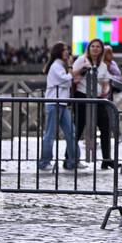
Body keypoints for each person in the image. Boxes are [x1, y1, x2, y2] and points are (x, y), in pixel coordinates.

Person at [71, 37, 116, 169]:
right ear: (89, 48)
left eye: (98, 47)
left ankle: (106, 159)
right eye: (93, 46)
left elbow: (106, 82)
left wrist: (105, 90)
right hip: (82, 97)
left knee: (105, 127)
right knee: (78, 128)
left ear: (102, 50)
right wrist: (82, 70)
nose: (95, 49)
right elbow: (72, 76)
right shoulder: (81, 60)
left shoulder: (102, 65)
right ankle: (70, 158)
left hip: (97, 98)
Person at [38, 42, 77, 171]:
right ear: (59, 52)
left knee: (71, 132)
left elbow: (67, 81)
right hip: (54, 103)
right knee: (50, 134)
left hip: (61, 103)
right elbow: (66, 79)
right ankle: (44, 162)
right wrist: (71, 68)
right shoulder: (56, 66)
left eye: (67, 50)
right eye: (65, 50)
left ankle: (73, 160)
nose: (67, 52)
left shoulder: (59, 65)